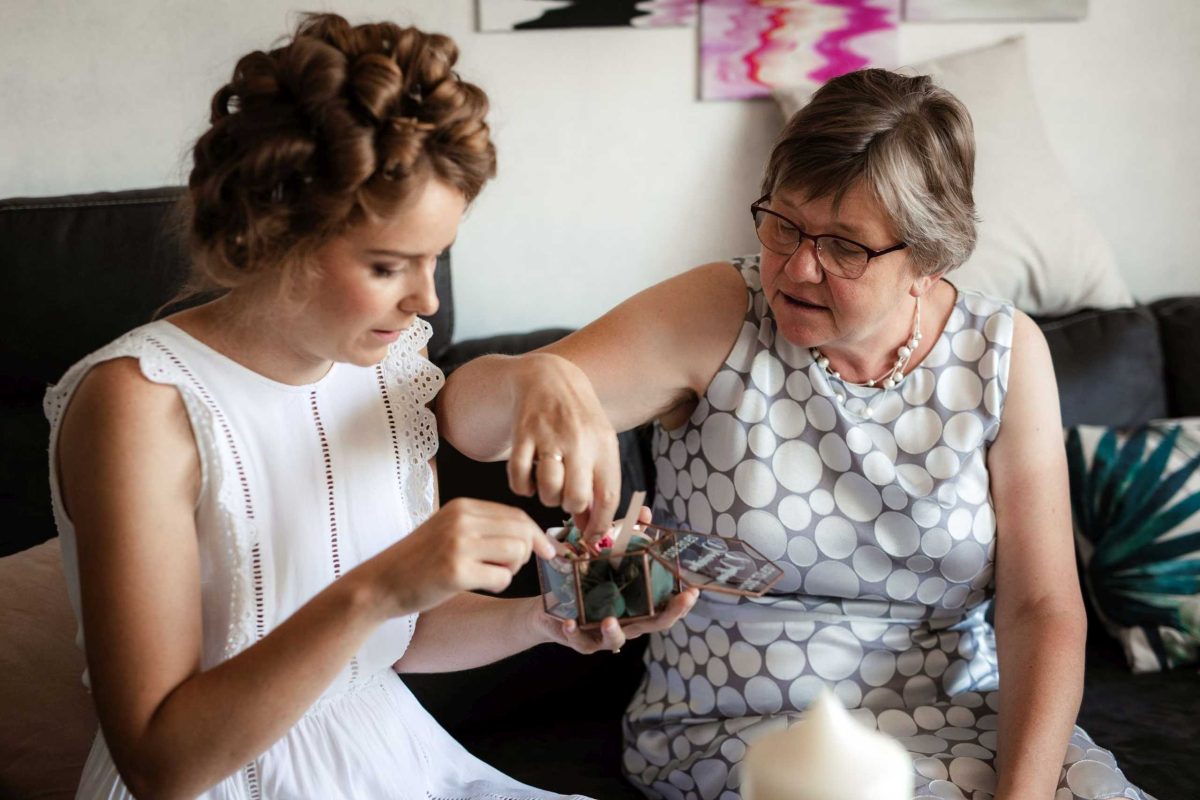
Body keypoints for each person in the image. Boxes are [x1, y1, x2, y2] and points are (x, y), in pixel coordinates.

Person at [437, 69, 1154, 799]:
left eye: (845, 246)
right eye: (784, 223)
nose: (798, 267)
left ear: (930, 257)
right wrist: (542, 381)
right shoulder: (720, 313)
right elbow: (467, 422)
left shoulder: (1003, 352)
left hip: (964, 719)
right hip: (743, 728)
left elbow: (1042, 606)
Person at [45, 14, 691, 799]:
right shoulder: (139, 406)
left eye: (437, 259)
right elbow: (160, 762)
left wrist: (546, 622)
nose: (424, 299)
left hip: (390, 758)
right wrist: (381, 584)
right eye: (389, 265)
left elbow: (393, 642)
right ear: (272, 230)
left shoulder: (388, 367)